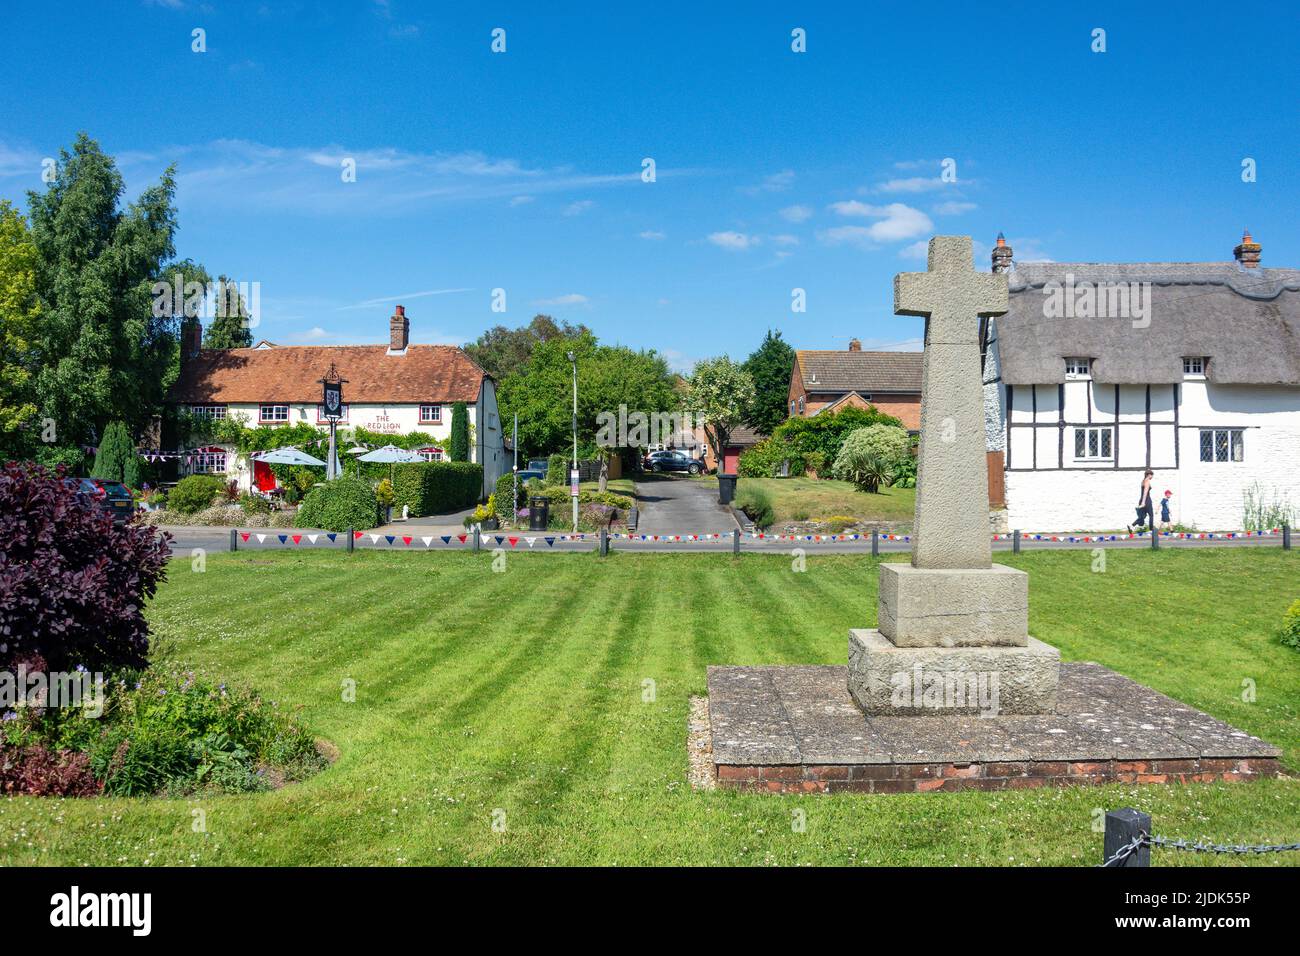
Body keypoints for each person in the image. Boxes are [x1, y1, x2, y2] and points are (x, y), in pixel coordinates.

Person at [1128, 469, 1155, 534]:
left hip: (1142, 499)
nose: (1152, 477)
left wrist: (1142, 501)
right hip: (1146, 500)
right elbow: (1145, 492)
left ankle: (1132, 526)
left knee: (1143, 516)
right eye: (1152, 475)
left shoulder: (1143, 481)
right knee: (1151, 515)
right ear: (1149, 475)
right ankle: (1151, 530)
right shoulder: (1147, 481)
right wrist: (1143, 502)